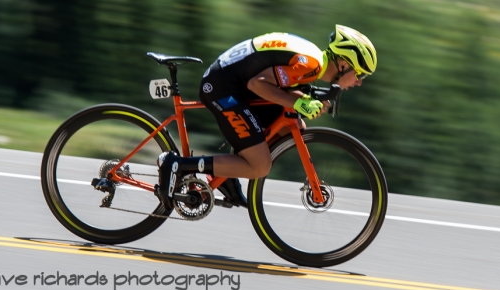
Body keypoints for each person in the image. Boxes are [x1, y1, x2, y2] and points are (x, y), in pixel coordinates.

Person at [154, 25, 377, 209]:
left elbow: (281, 85)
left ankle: (226, 172)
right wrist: (300, 102)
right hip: (224, 88)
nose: (359, 82)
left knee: (293, 128)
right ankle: (178, 164)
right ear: (344, 64)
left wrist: (305, 101)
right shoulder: (311, 64)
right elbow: (257, 84)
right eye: (359, 74)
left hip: (236, 83)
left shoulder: (314, 60)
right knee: (259, 167)